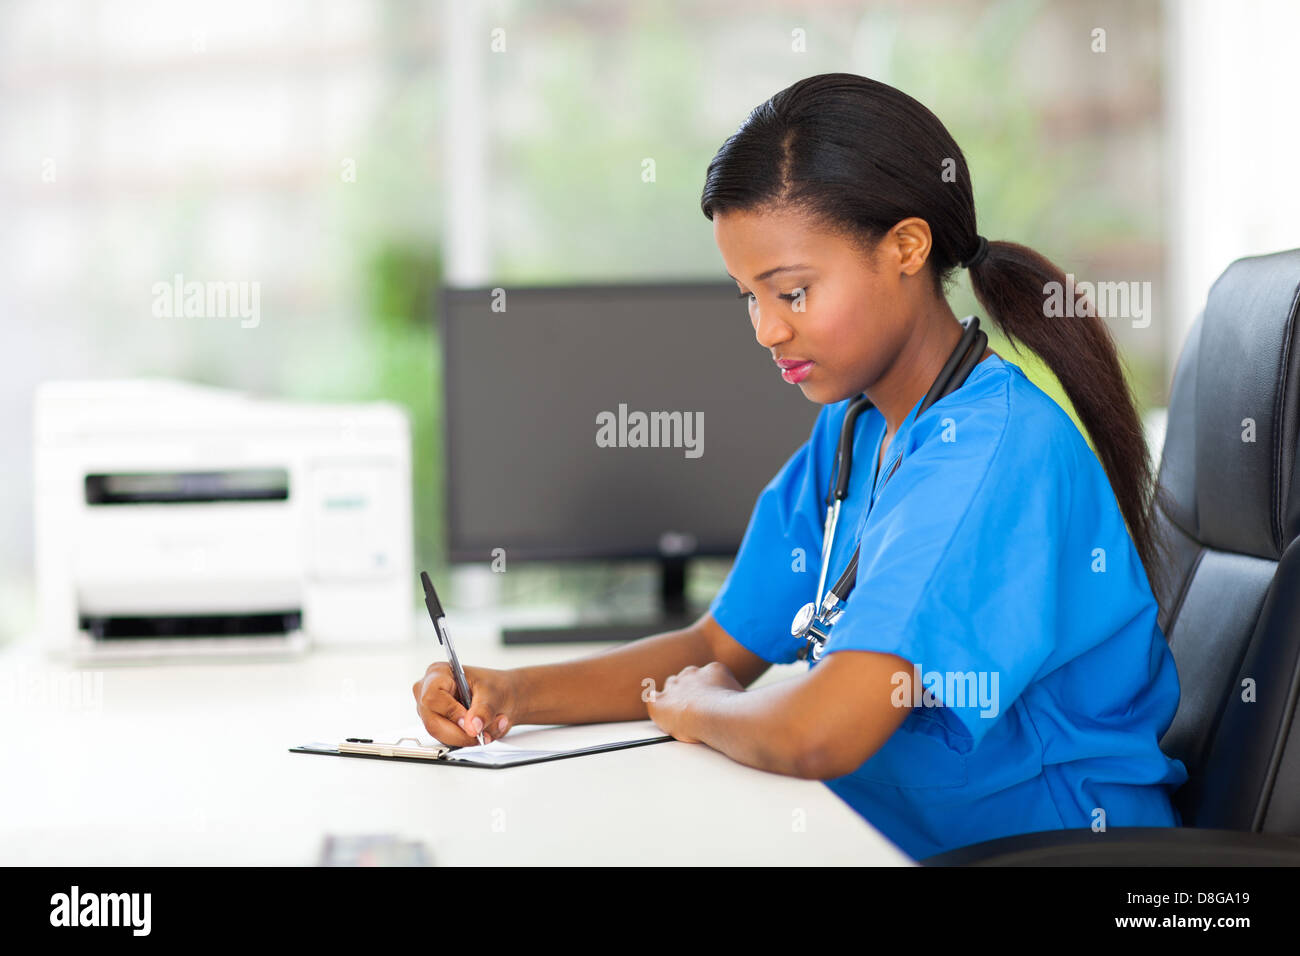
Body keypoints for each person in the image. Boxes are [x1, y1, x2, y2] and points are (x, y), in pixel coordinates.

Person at [413, 72, 1188, 861]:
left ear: (907, 248)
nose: (766, 330)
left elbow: (820, 730)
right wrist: (511, 692)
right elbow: (719, 649)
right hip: (885, 831)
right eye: (748, 296)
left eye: (792, 292)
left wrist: (703, 711)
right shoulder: (852, 431)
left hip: (1036, 848)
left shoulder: (990, 452)